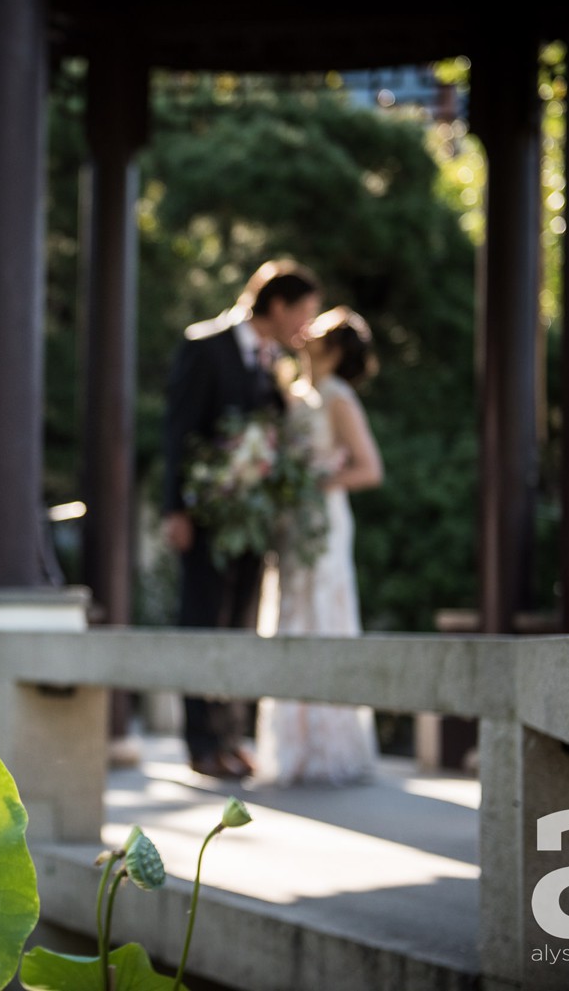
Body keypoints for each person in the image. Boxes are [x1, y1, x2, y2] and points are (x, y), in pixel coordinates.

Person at [161, 259, 321, 780]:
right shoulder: (204, 345)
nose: (307, 325)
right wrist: (175, 508)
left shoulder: (275, 363)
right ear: (276, 306)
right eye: (303, 312)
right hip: (206, 517)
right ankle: (200, 743)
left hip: (254, 523)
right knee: (202, 622)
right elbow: (178, 430)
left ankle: (230, 737)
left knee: (242, 625)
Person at [254, 306, 383, 787]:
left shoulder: (338, 398)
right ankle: (294, 748)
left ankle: (329, 747)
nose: (306, 334)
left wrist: (315, 480)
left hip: (323, 523)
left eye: (319, 330)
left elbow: (370, 469)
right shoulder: (297, 394)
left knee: (322, 615)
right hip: (292, 523)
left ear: (333, 348)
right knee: (290, 614)